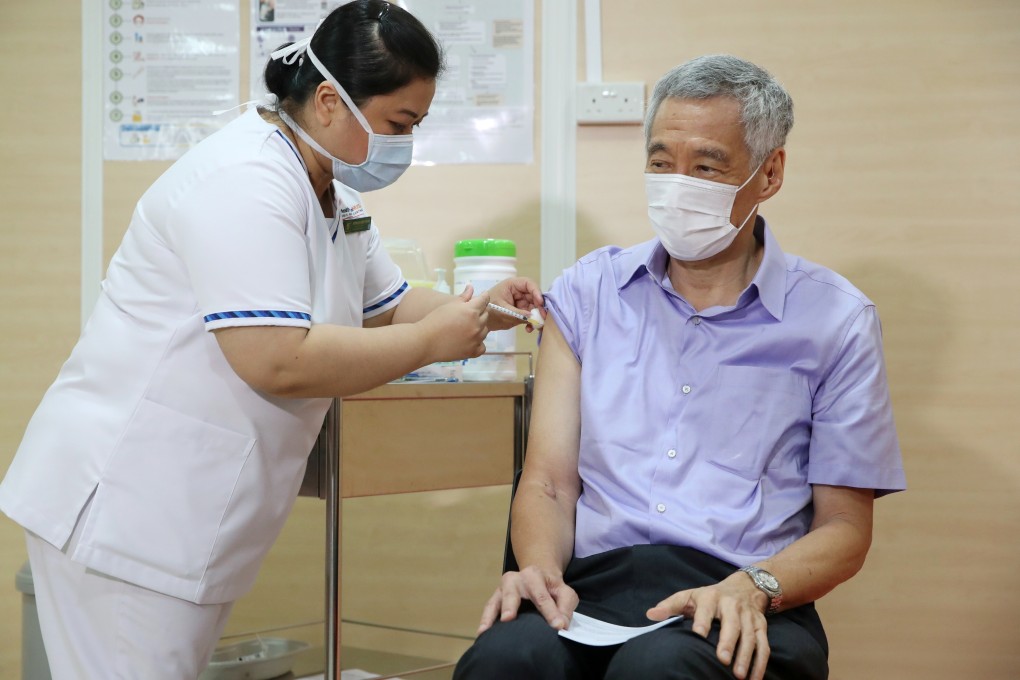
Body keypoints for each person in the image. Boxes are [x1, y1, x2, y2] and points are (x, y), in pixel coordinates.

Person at [0, 2, 542, 677]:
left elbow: (387, 307)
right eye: (399, 124)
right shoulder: (244, 181)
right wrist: (436, 343)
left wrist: (480, 310)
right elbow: (275, 359)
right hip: (126, 506)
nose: (406, 145)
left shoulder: (333, 194)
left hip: (185, 513)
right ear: (326, 102)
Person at [454, 54, 906, 680]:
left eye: (706, 166)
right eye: (661, 163)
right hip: (595, 586)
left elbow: (845, 528)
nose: (677, 182)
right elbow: (550, 484)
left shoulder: (835, 320)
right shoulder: (589, 292)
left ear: (769, 173)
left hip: (744, 595)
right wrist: (539, 572)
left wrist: (753, 586)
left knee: (659, 669)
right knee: (506, 660)